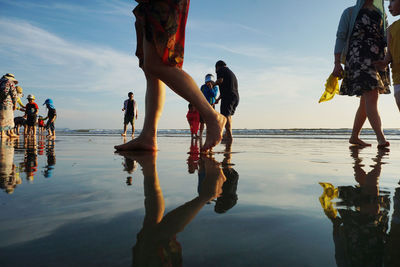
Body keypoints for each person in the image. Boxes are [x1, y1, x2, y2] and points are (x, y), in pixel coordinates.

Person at [114, 0, 226, 152]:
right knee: (150, 68)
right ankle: (149, 135)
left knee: (157, 65)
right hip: (147, 6)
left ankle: (212, 116)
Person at [333, 0, 390, 148]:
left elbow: (387, 39)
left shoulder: (381, 14)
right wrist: (337, 63)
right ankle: (381, 138)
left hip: (376, 58)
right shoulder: (349, 12)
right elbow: (341, 36)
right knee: (372, 95)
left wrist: (388, 59)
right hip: (358, 57)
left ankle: (354, 136)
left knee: (366, 100)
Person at [374, 0, 400, 111]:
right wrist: (383, 62)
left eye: (393, 1)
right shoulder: (391, 29)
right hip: (398, 75)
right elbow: (389, 53)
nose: (389, 6)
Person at [214, 60, 239, 142]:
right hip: (235, 97)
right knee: (228, 116)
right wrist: (218, 99)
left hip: (228, 97)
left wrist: (213, 84)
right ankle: (227, 134)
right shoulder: (231, 73)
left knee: (225, 116)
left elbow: (220, 80)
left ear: (217, 67)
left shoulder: (221, 70)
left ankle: (229, 136)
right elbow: (227, 89)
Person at [199, 74, 219, 138]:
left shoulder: (215, 87)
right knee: (202, 121)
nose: (209, 83)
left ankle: (209, 135)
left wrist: (211, 88)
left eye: (210, 81)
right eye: (207, 82)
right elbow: (200, 95)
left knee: (210, 122)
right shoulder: (203, 87)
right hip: (203, 105)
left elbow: (214, 95)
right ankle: (200, 135)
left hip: (211, 105)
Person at [0, 73, 18, 139]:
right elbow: (14, 94)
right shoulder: (10, 82)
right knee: (8, 118)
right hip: (7, 103)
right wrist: (15, 103)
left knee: (2, 118)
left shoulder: (1, 82)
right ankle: (6, 134)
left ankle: (2, 133)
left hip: (0, 102)